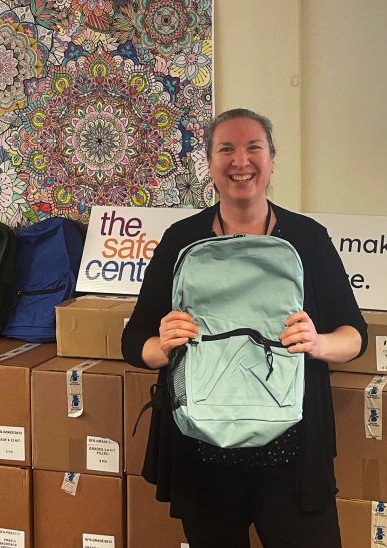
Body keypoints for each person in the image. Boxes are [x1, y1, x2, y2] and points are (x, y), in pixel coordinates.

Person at [121, 108, 368, 548]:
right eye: (226, 149)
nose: (241, 161)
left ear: (272, 159)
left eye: (254, 147)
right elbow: (133, 339)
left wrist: (318, 343)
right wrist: (162, 345)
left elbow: (355, 336)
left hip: (291, 459)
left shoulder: (307, 238)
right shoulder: (182, 239)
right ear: (209, 163)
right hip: (203, 455)